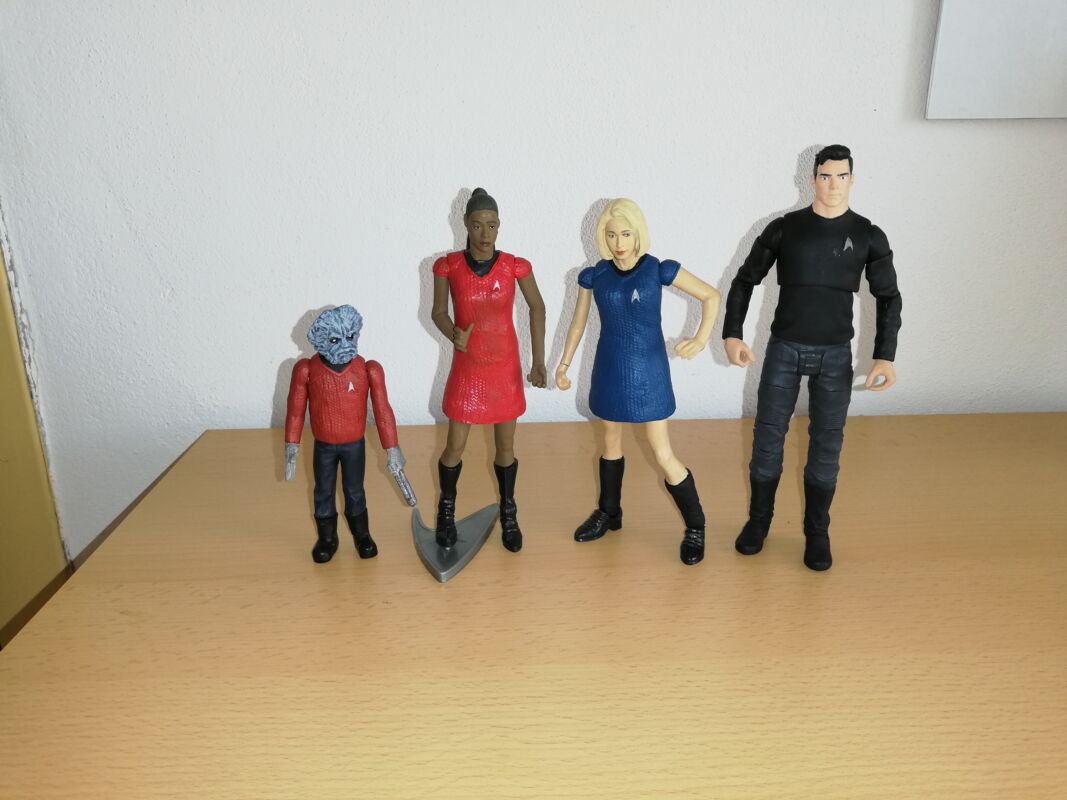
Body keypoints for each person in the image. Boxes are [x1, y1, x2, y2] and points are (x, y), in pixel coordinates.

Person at [723, 144, 902, 571]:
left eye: (841, 177)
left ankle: (817, 530)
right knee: (767, 440)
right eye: (825, 176)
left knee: (827, 445)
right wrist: (732, 333)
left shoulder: (868, 235)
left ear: (852, 180)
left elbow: (889, 296)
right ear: (812, 180)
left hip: (835, 355)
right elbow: (745, 280)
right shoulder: (785, 229)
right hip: (784, 348)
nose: (833, 185)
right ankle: (759, 521)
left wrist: (885, 355)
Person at [556, 199, 721, 565]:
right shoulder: (594, 276)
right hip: (610, 367)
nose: (619, 242)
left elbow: (711, 296)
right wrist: (564, 364)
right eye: (612, 235)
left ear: (638, 234)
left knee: (662, 452)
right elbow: (578, 323)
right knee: (609, 443)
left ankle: (696, 525)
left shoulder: (658, 270)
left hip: (649, 371)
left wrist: (700, 338)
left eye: (626, 234)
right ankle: (609, 512)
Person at [430, 188, 547, 552]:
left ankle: (509, 511)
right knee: (455, 444)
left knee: (506, 445)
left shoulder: (514, 266)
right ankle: (446, 509)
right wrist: (454, 334)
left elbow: (538, 307)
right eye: (478, 225)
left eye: (492, 225)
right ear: (465, 224)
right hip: (468, 368)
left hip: (503, 367)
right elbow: (438, 312)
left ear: (499, 226)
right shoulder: (448, 266)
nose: (485, 233)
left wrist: (538, 361)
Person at [284, 304, 413, 563]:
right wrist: (291, 446)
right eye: (335, 339)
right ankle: (327, 539)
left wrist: (393, 449)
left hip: (354, 445)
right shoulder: (306, 370)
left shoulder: (368, 369)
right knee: (323, 491)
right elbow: (296, 411)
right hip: (323, 446)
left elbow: (383, 411)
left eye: (351, 336)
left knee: (355, 491)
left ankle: (362, 535)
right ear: (321, 341)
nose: (345, 345)